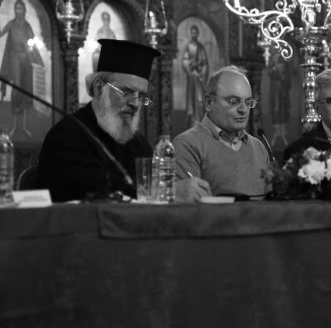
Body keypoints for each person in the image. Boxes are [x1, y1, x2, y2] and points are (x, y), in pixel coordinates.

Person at [38, 39, 210, 202]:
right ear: (99, 89)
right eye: (126, 92)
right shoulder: (66, 136)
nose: (135, 103)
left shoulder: (139, 144)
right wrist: (165, 191)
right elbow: (91, 190)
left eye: (141, 96)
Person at [173, 66, 271, 197]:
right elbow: (186, 205)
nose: (243, 110)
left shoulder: (259, 147)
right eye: (233, 101)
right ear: (209, 103)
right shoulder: (187, 145)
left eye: (248, 103)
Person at [0, 0, 44, 138]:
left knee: (25, 89)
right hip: (14, 57)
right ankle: (13, 126)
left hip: (26, 58)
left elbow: (32, 44)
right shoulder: (11, 24)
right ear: (14, 10)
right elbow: (0, 33)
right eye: (17, 8)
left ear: (24, 10)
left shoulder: (27, 25)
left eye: (21, 8)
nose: (19, 11)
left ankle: (23, 127)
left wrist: (38, 61)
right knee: (17, 87)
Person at [181, 25, 209, 127]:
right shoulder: (188, 46)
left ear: (198, 34)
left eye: (195, 32)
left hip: (199, 78)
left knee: (200, 100)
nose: (194, 34)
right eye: (192, 32)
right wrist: (190, 65)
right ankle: (192, 123)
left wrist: (201, 72)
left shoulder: (200, 47)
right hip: (192, 79)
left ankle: (200, 122)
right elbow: (184, 61)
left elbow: (204, 62)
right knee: (191, 102)